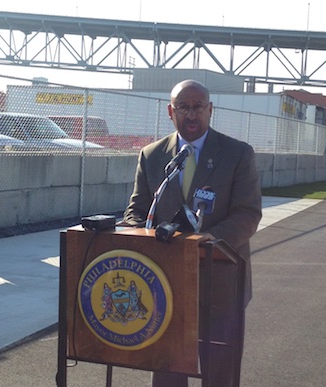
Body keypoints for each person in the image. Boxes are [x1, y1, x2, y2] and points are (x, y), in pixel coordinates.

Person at [122, 79, 262, 387]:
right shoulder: (152, 155)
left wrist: (206, 241)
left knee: (219, 375)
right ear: (170, 112)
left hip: (221, 283)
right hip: (166, 284)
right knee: (167, 372)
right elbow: (136, 212)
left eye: (198, 107)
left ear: (210, 110)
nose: (191, 114)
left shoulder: (237, 154)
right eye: (183, 107)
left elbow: (248, 215)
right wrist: (145, 236)